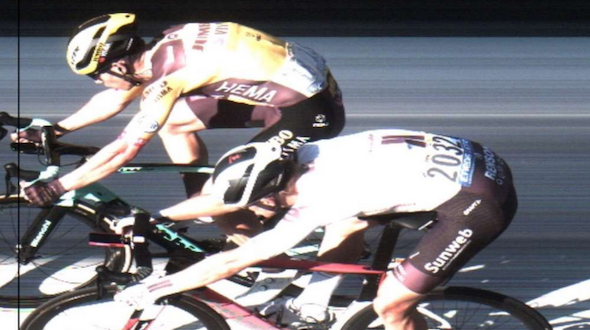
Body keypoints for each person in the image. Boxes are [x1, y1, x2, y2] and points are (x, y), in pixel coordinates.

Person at [113, 130, 519, 330]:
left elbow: (234, 261)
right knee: (345, 224)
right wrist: (156, 216)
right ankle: (312, 304)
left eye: (259, 203)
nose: (257, 211)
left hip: (477, 204)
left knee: (392, 302)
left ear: (275, 191)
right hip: (474, 159)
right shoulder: (302, 153)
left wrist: (158, 287)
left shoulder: (320, 197)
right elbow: (223, 197)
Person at [19, 13, 346, 242]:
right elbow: (118, 98)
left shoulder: (168, 77)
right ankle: (204, 203)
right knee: (174, 123)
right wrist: (56, 130)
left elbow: (124, 149)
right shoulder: (166, 43)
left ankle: (269, 269)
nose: (96, 82)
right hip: (295, 91)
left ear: (118, 64)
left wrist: (60, 186)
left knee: (222, 197)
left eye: (96, 74)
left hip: (310, 112)